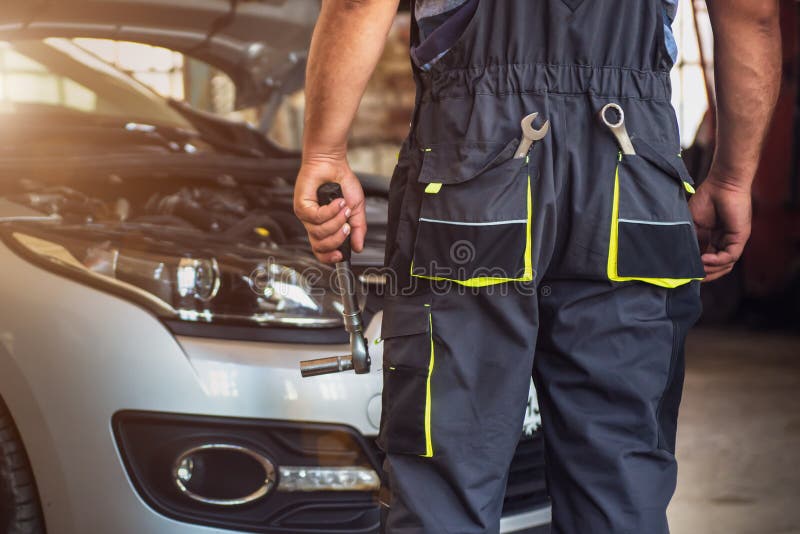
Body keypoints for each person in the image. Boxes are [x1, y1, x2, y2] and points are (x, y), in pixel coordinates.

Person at [293, 1, 781, 532]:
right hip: (633, 174)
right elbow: (752, 13)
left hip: (474, 165)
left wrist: (324, 154)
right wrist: (733, 178)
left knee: (445, 479)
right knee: (620, 479)